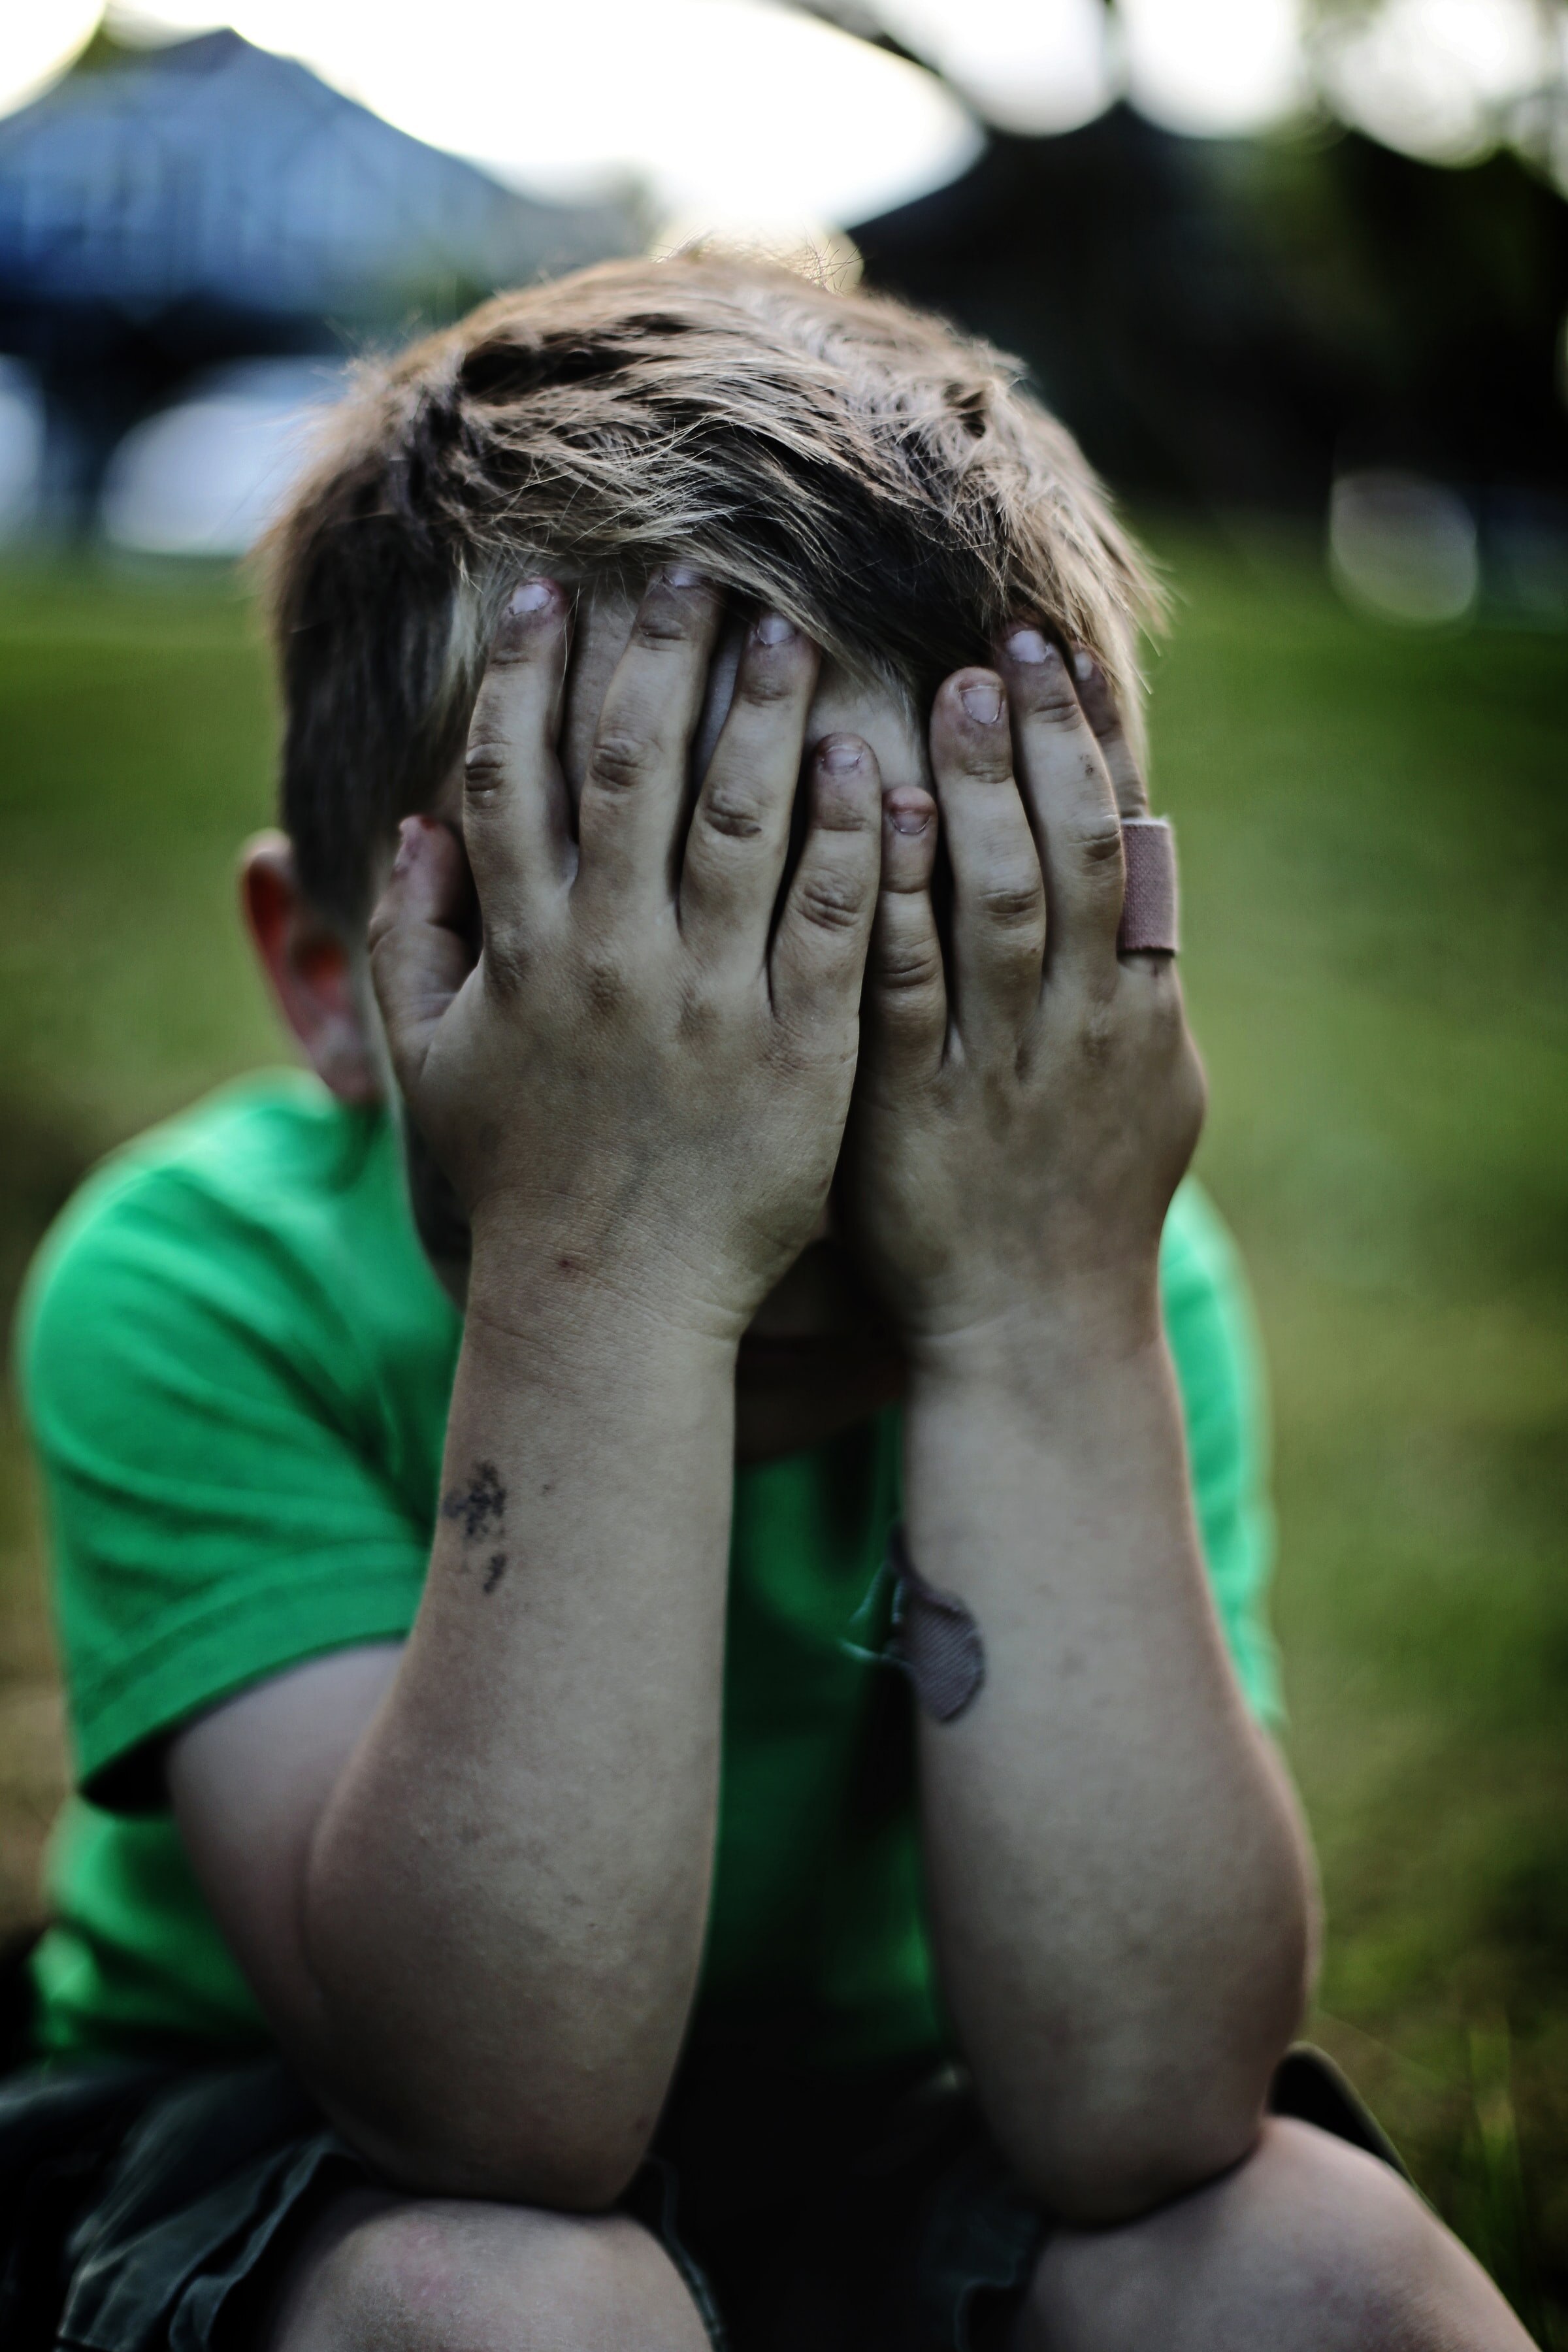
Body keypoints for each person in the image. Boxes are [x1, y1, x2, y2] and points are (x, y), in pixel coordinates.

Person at [1, 257, 1533, 2351]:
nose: (780, 1163)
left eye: (897, 985)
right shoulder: (205, 1281)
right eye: (647, 1005)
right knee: (520, 2306)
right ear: (328, 979)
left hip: (917, 2136)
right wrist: (604, 1274)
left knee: (1321, 2266)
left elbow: (1150, 2113)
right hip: (318, 2160)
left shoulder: (1087, 1258)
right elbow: (497, 2113)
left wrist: (1040, 1322)